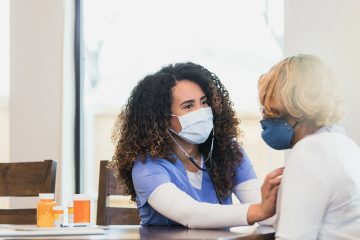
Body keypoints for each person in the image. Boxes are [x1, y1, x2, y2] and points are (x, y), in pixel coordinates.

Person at [111, 62, 282, 228]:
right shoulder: (146, 166)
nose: (201, 111)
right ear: (162, 119)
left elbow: (266, 214)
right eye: (188, 106)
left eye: (205, 102)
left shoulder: (228, 151)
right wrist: (258, 211)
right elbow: (190, 214)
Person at [258, 54, 360, 239]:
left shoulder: (309, 152)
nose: (265, 117)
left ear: (293, 105)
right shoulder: (345, 144)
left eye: (269, 108)